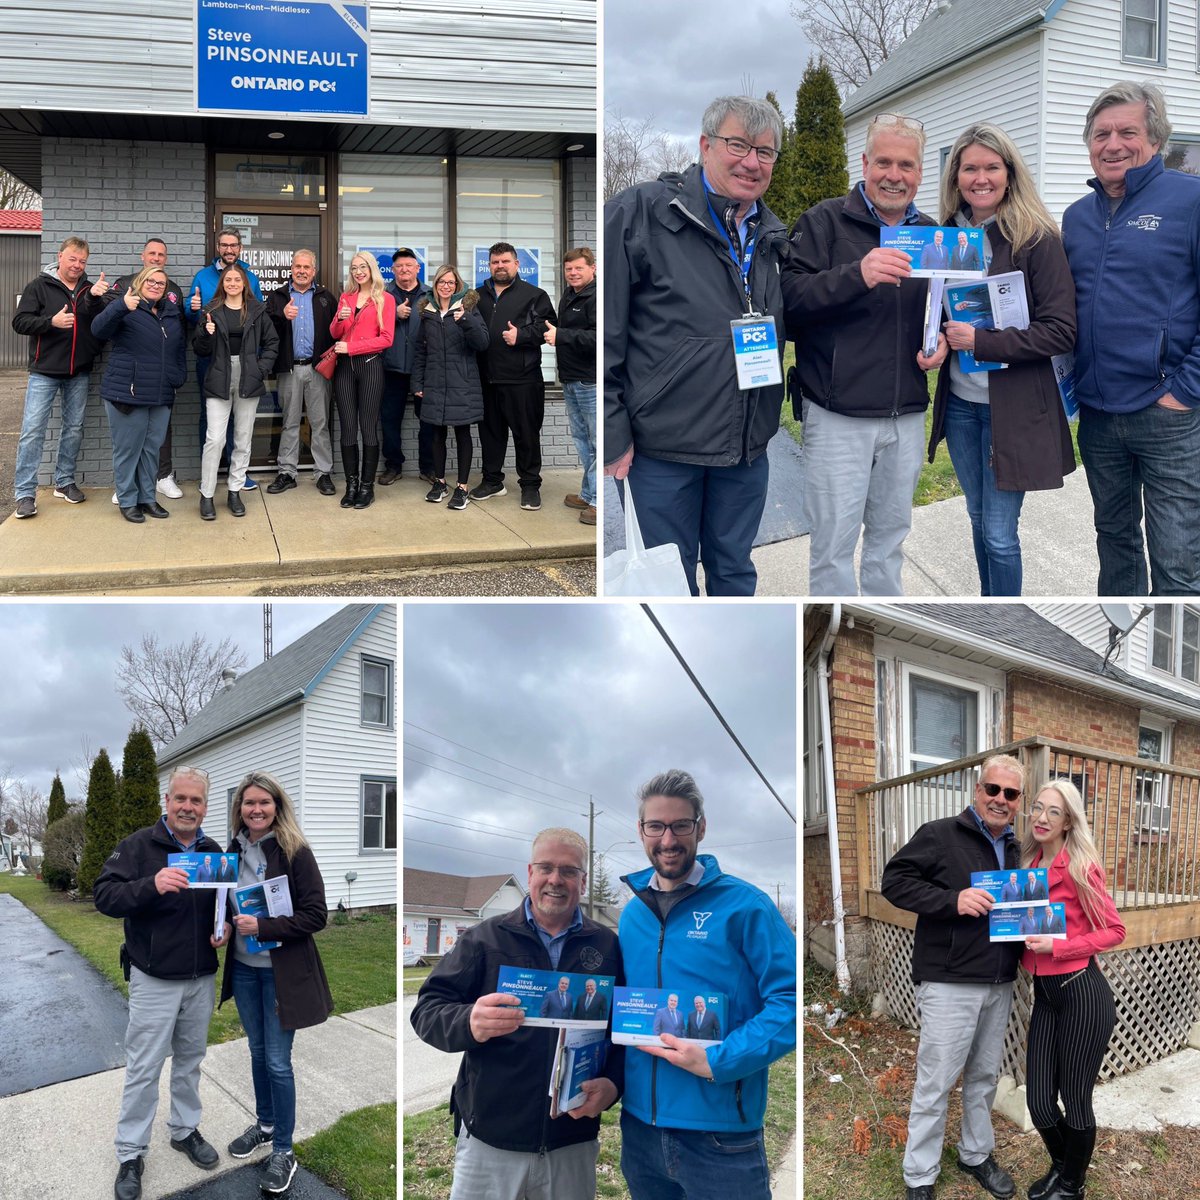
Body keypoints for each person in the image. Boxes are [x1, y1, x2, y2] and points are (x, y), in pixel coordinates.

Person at [604, 95, 790, 596]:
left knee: (735, 572)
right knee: (669, 582)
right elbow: (606, 332)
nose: (752, 162)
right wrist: (611, 427)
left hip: (746, 450)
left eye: (765, 152)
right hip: (662, 451)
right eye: (738, 145)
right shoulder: (639, 213)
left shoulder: (771, 236)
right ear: (705, 145)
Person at [785, 112, 949, 596]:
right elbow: (789, 304)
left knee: (890, 540)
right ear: (864, 162)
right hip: (839, 413)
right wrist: (857, 274)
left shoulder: (933, 234)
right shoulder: (824, 222)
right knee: (833, 545)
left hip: (905, 414)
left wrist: (941, 341)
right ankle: (837, 636)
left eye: (906, 165)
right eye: (883, 162)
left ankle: (881, 619)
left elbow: (941, 311)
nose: (894, 176)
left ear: (920, 172)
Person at [411, 827, 623, 1200]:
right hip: (490, 1142)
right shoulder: (484, 939)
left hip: (571, 1141)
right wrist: (468, 1022)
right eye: (546, 868)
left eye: (569, 871)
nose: (555, 880)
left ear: (583, 881)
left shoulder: (607, 947)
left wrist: (614, 1085)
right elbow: (427, 1009)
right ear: (530, 873)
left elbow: (622, 1033)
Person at [618, 770, 796, 1200]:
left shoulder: (746, 906)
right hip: (640, 1130)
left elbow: (790, 1001)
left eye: (681, 824)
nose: (668, 839)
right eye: (656, 826)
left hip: (720, 1138)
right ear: (640, 831)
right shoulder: (631, 916)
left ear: (701, 826)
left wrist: (721, 1061)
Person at [928, 123, 1077, 596]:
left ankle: (1002, 610)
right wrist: (937, 340)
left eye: (992, 167)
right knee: (975, 518)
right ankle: (990, 603)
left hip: (1012, 411)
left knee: (999, 533)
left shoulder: (1036, 239)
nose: (981, 177)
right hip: (963, 408)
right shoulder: (944, 239)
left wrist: (983, 341)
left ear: (1009, 174)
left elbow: (1060, 330)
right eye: (969, 168)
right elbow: (934, 309)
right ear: (955, 178)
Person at [1064, 80, 1200, 595]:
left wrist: (1184, 392)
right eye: (1101, 134)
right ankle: (1120, 644)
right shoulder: (1077, 217)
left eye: (1127, 131)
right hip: (1098, 414)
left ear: (1156, 139)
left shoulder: (1190, 200)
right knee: (1114, 539)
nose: (1113, 144)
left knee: (1178, 558)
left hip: (1168, 415)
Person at [880, 754, 1026, 1200]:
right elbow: (894, 881)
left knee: (983, 1077)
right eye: (993, 790)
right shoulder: (940, 835)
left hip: (999, 981)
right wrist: (952, 899)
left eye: (1011, 793)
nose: (1000, 800)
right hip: (949, 981)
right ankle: (920, 1175)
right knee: (936, 1081)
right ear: (977, 791)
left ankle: (975, 1154)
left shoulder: (1018, 850)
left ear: (1018, 801)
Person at [93, 766, 230, 1200]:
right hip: (153, 978)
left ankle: (184, 1130)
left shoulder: (215, 851)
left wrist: (223, 929)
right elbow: (105, 897)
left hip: (200, 976)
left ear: (206, 806)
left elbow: (223, 905)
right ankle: (131, 1153)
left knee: (190, 1061)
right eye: (180, 799)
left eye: (197, 800)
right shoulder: (138, 846)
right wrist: (151, 884)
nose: (188, 807)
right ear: (166, 801)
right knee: (144, 1067)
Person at [217, 771, 334, 1195]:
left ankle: (284, 1149)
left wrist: (263, 923)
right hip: (246, 970)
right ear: (240, 809)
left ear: (277, 806)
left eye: (264, 803)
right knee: (256, 1051)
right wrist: (226, 927)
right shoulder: (232, 850)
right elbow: (222, 903)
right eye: (249, 803)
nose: (257, 809)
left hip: (282, 975)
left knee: (278, 1061)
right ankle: (265, 1125)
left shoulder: (295, 850)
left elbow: (316, 915)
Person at [1021, 780, 1125, 1200]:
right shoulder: (1026, 867)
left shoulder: (1081, 868)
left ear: (1068, 823)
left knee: (1075, 1099)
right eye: (1038, 808)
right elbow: (1023, 931)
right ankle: (1065, 1166)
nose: (1042, 818)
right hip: (1045, 995)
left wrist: (1059, 946)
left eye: (1054, 812)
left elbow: (1115, 930)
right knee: (1040, 1103)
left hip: (1082, 992)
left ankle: (1071, 1185)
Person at [11, 236, 106, 518]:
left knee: (74, 428)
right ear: (60, 257)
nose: (77, 265)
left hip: (79, 371)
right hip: (44, 372)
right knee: (32, 431)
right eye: (72, 259)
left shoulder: (90, 289)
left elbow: (99, 323)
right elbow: (19, 322)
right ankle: (25, 493)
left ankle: (64, 482)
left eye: (82, 261)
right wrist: (49, 323)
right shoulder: (39, 286)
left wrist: (97, 301)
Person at [91, 265, 187, 524]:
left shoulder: (170, 313)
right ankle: (127, 500)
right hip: (127, 393)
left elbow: (178, 348)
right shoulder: (127, 307)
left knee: (151, 450)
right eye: (151, 282)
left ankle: (147, 498)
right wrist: (120, 306)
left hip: (161, 394)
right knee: (128, 450)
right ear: (141, 282)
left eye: (161, 284)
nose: (156, 286)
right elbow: (97, 329)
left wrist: (178, 376)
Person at [471, 242, 557, 511]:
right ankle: (492, 480)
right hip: (487, 379)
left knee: (526, 435)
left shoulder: (535, 295)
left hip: (523, 378)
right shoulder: (476, 296)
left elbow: (548, 328)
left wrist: (521, 336)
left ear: (516, 264)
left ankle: (530, 485)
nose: (500, 266)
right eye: (495, 262)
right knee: (491, 435)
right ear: (489, 265)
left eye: (505, 261)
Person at [192, 265, 279, 521]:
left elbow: (272, 342)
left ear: (244, 283)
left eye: (236, 279)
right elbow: (199, 349)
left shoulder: (257, 310)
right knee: (215, 439)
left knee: (243, 438)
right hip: (219, 375)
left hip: (248, 377)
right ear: (222, 283)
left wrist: (261, 369)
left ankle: (234, 490)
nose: (232, 283)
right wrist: (205, 335)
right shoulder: (210, 310)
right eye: (228, 279)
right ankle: (206, 494)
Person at [187, 228, 264, 491]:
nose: (229, 249)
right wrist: (191, 308)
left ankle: (237, 475)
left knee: (240, 422)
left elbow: (260, 318)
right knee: (208, 419)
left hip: (243, 361)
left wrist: (259, 364)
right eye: (224, 245)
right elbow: (189, 311)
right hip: (210, 359)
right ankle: (208, 474)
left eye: (233, 245)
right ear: (217, 247)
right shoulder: (202, 276)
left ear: (240, 248)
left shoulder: (250, 278)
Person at [411, 263, 489, 511]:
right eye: (441, 282)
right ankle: (440, 482)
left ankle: (462, 487)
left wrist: (465, 320)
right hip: (434, 383)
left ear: (457, 285)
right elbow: (421, 350)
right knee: (436, 434)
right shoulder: (427, 312)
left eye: (451, 283)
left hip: (462, 383)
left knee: (463, 434)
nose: (446, 287)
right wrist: (417, 382)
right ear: (435, 286)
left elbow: (482, 342)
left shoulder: (468, 308)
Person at [265, 249, 338, 497]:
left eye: (307, 267)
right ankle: (287, 472)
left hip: (318, 369)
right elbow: (266, 331)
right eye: (298, 266)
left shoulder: (326, 297)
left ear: (314, 271)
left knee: (320, 423)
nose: (302, 271)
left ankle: (323, 473)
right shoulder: (278, 297)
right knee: (290, 422)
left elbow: (337, 331)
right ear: (291, 269)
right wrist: (281, 316)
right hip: (289, 368)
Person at [329, 252, 396, 510]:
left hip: (370, 367)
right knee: (347, 428)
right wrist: (340, 319)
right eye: (354, 268)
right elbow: (334, 333)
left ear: (371, 269)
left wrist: (353, 348)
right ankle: (351, 485)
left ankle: (367, 488)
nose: (358, 271)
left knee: (367, 427)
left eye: (362, 267)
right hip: (344, 369)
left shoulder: (385, 299)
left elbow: (387, 339)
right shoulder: (346, 297)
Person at [545, 247, 597, 525]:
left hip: (590, 380)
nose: (573, 273)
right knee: (582, 441)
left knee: (598, 442)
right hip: (571, 378)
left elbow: (599, 337)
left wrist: (561, 335)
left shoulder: (596, 296)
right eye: (569, 269)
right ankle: (588, 493)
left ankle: (599, 502)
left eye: (578, 268)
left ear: (593, 268)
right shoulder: (570, 295)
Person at [380, 248, 432, 485]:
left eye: (409, 265)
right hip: (391, 368)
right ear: (393, 270)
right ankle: (393, 466)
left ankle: (428, 467)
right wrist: (393, 314)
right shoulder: (382, 295)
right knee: (390, 418)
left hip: (423, 368)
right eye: (399, 266)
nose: (404, 270)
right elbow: (369, 326)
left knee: (428, 419)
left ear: (417, 268)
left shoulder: (429, 295)